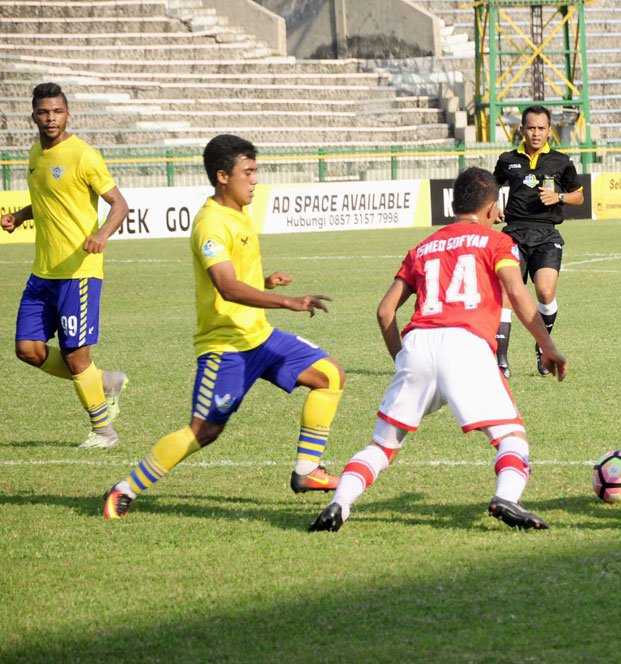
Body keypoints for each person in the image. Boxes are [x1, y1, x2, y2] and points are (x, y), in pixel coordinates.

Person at [308, 167, 568, 533]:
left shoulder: (422, 247)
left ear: (452, 203)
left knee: (382, 446)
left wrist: (402, 358)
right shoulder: (497, 242)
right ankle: (506, 496)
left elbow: (385, 311)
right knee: (511, 436)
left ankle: (340, 503)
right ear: (494, 207)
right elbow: (518, 293)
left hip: (418, 344)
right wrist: (548, 345)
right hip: (466, 344)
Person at [102, 134, 346, 519]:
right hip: (227, 347)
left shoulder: (237, 213)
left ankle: (307, 471)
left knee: (329, 375)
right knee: (204, 431)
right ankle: (124, 489)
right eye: (247, 172)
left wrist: (265, 282)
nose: (254, 180)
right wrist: (288, 302)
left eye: (255, 171)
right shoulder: (211, 224)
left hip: (261, 337)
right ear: (222, 176)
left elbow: (238, 275)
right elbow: (226, 286)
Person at [1, 82, 130, 449]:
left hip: (79, 272)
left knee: (76, 356)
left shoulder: (84, 155)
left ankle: (104, 431)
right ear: (33, 116)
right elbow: (46, 200)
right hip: (43, 272)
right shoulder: (34, 154)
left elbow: (119, 204)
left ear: (67, 114)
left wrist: (102, 235)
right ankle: (102, 381)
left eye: (57, 111)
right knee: (27, 349)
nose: (50, 118)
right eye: (43, 112)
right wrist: (20, 215)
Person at [493, 105, 583, 378]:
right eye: (530, 127)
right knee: (506, 295)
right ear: (522, 129)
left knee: (545, 292)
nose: (535, 133)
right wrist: (493, 206)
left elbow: (579, 196)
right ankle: (500, 360)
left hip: (546, 234)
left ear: (549, 132)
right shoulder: (508, 159)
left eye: (541, 128)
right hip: (513, 234)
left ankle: (542, 347)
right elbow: (491, 186)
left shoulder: (561, 161)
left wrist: (560, 198)